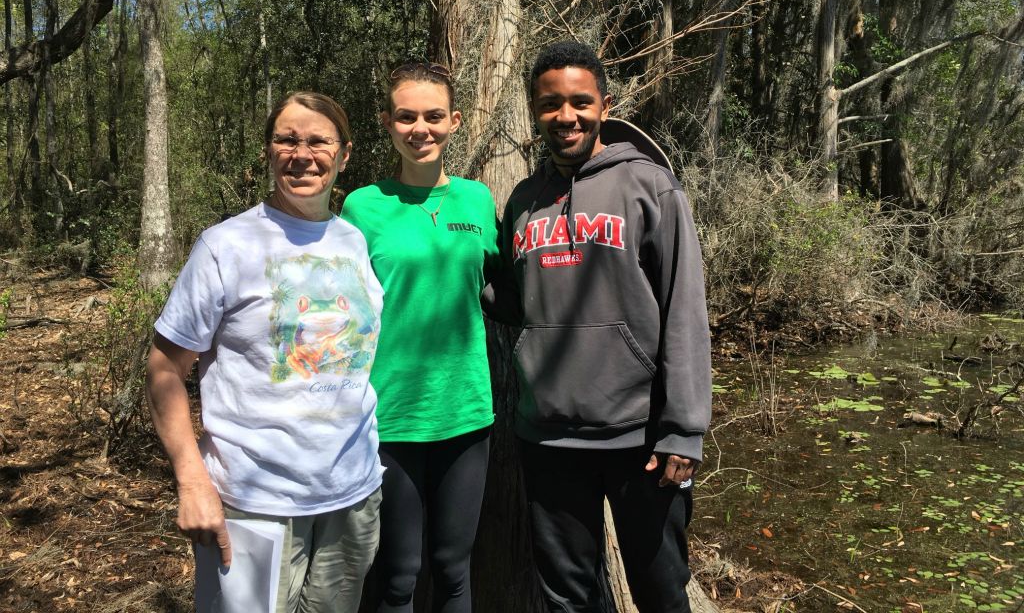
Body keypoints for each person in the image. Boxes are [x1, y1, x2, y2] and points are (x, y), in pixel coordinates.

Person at [146, 91, 385, 613]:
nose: (303, 154)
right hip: (255, 500)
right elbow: (165, 367)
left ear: (344, 154)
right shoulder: (225, 245)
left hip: (354, 493)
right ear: (268, 151)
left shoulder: (353, 240)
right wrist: (191, 480)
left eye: (319, 141)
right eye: (287, 140)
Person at [497, 42, 712, 613]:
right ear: (534, 111)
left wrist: (683, 431)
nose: (565, 117)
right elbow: (522, 302)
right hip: (548, 437)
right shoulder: (523, 200)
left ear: (604, 106)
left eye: (579, 102)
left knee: (662, 591)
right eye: (549, 105)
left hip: (639, 438)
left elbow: (684, 308)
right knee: (568, 597)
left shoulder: (650, 188)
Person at [341, 62, 499, 613]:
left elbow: (505, 285)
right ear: (387, 123)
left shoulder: (478, 201)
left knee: (454, 570)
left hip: (466, 413)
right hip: (390, 418)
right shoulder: (362, 206)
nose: (420, 128)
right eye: (406, 117)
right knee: (397, 576)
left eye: (433, 116)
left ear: (455, 121)